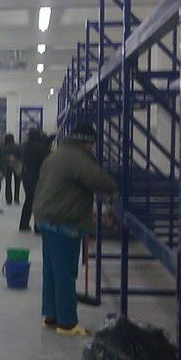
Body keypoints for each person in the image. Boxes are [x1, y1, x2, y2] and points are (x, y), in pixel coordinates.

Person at [33, 122, 117, 336]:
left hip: (45, 218)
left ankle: (51, 316)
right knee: (65, 273)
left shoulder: (55, 155)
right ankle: (67, 323)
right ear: (87, 142)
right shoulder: (78, 158)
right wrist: (114, 190)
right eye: (92, 145)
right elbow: (98, 180)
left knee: (51, 271)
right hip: (63, 221)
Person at [19, 128, 50, 232]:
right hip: (37, 176)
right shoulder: (41, 147)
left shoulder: (24, 146)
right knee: (38, 201)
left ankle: (23, 224)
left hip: (26, 175)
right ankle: (38, 226)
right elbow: (48, 155)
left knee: (28, 199)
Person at [1, 133, 22, 205]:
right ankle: (16, 199)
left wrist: (8, 158)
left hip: (7, 165)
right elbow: (21, 155)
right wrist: (15, 158)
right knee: (17, 183)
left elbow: (1, 156)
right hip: (16, 165)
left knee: (8, 183)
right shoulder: (17, 146)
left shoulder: (3, 147)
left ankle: (9, 199)